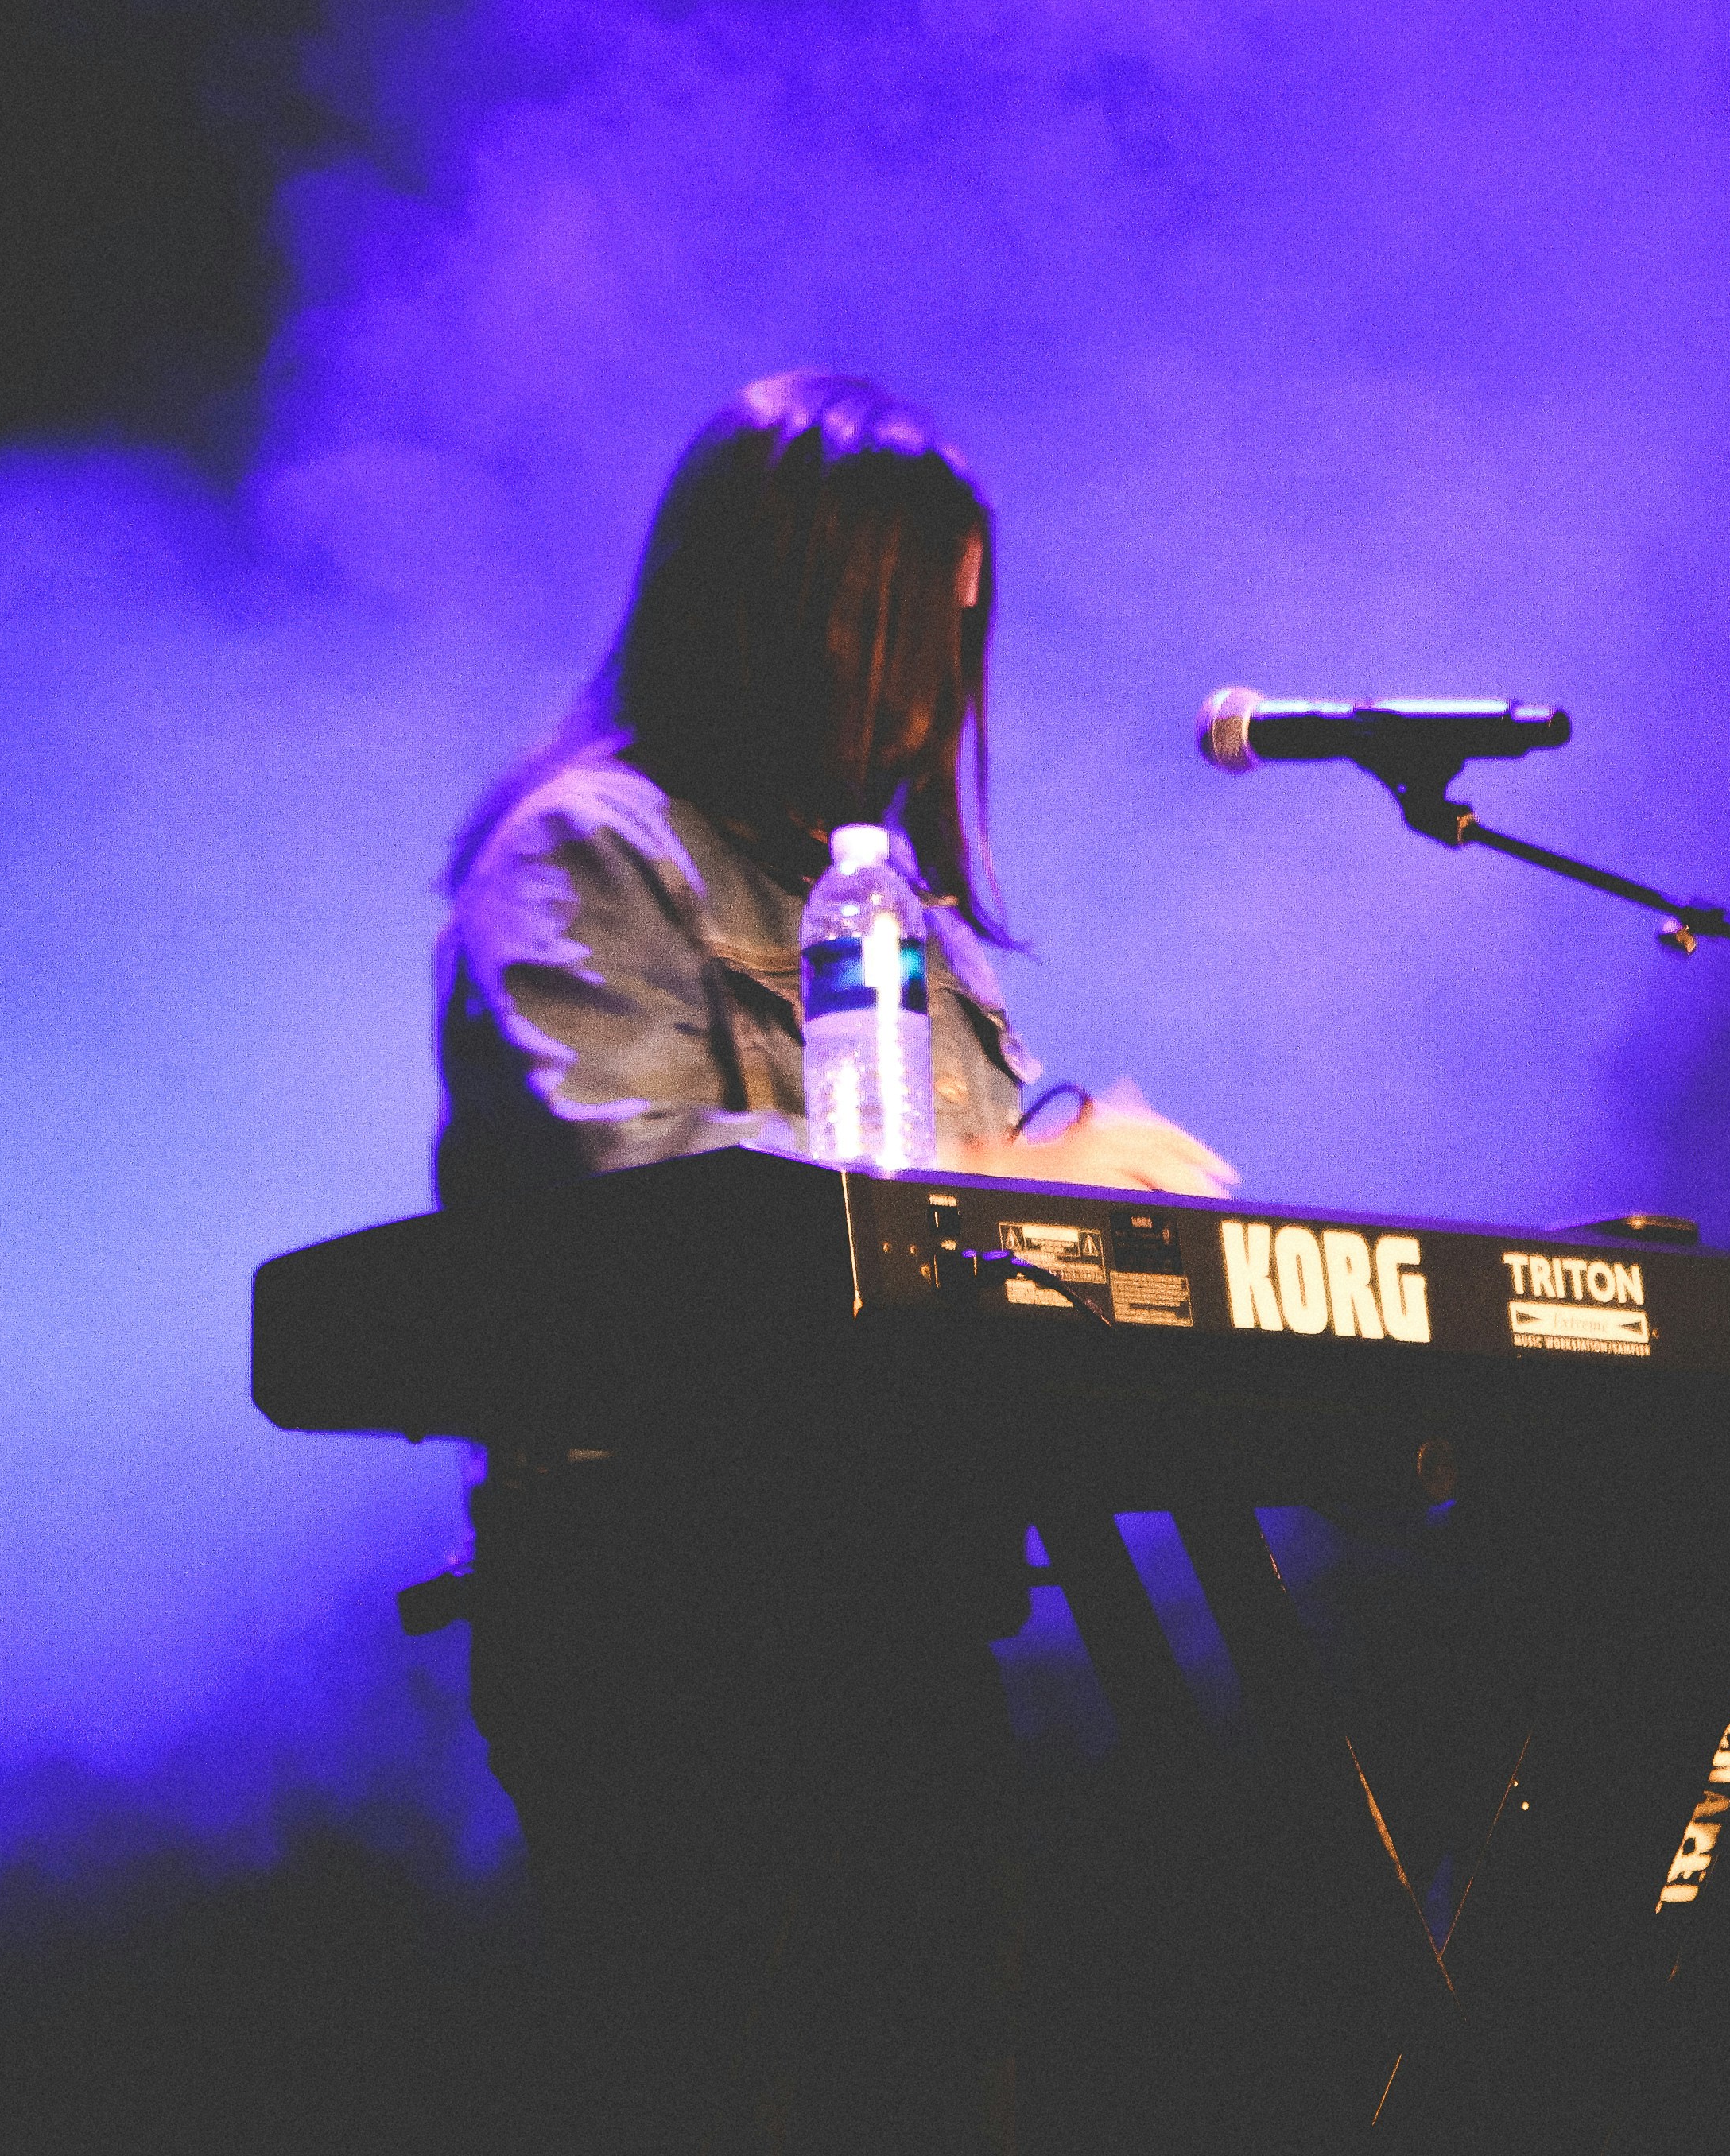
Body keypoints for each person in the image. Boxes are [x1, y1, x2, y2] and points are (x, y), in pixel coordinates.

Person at [432, 371, 1233, 2155]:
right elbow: (640, 1194)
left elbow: (958, 1245)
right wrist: (1018, 1184)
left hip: (900, 1604)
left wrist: (1108, 1228)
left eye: (950, 637)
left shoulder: (910, 917)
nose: (925, 686)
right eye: (887, 625)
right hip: (672, 1627)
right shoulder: (589, 855)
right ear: (767, 608)